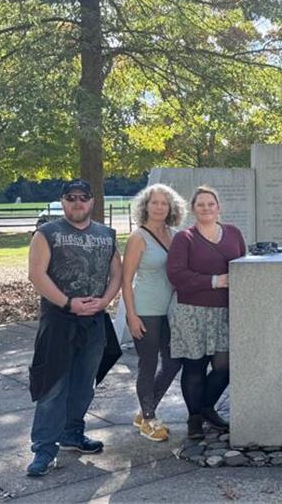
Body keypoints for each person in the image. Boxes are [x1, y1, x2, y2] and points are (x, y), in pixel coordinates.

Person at [26, 179, 122, 477]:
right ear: (63, 201)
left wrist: (105, 300)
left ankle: (72, 433)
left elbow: (116, 273)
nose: (77, 202)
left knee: (84, 383)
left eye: (83, 197)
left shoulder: (106, 234)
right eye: (71, 197)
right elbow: (36, 275)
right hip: (59, 320)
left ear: (92, 202)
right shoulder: (47, 233)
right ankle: (44, 447)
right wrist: (68, 303)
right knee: (53, 386)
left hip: (93, 320)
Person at [166, 186, 246, 439]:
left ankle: (205, 407)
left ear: (218, 207)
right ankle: (195, 420)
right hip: (192, 312)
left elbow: (243, 266)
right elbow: (176, 275)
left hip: (223, 312)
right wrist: (214, 281)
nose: (206, 208)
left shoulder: (233, 233)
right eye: (200, 204)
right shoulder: (184, 239)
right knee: (194, 367)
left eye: (210, 204)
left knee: (226, 365)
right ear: (193, 209)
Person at [122, 184, 186, 441]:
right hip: (145, 309)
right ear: (145, 206)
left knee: (172, 362)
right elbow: (126, 281)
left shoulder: (174, 234)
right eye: (154, 202)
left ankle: (145, 410)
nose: (159, 207)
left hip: (169, 311)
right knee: (148, 364)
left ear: (171, 208)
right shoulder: (139, 237)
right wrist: (132, 315)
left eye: (164, 203)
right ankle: (148, 419)